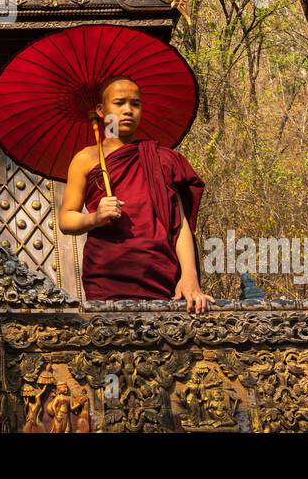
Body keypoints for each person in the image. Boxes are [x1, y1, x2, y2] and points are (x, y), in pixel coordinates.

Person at [58, 76, 211, 310]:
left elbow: (179, 224)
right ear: (101, 109)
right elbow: (66, 219)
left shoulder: (161, 158)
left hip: (160, 273)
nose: (128, 110)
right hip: (107, 274)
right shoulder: (85, 159)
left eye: (135, 103)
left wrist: (189, 276)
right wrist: (95, 218)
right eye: (119, 103)